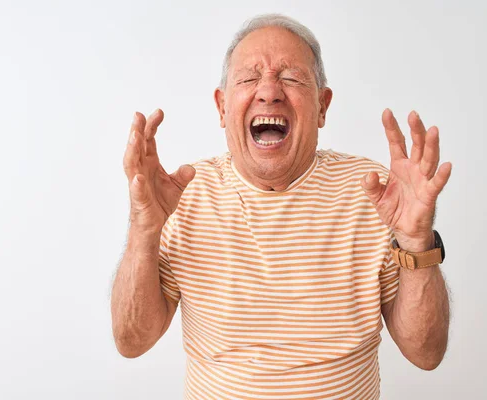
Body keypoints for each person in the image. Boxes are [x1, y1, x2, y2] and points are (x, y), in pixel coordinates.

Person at [111, 14, 452, 400]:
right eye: (248, 78)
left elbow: (426, 353)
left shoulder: (374, 194)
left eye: (291, 78)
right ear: (222, 107)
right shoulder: (184, 194)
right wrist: (144, 230)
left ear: (322, 106)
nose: (269, 91)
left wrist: (416, 241)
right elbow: (132, 341)